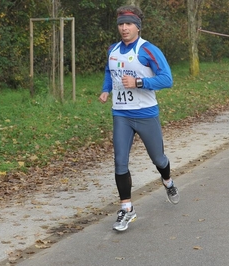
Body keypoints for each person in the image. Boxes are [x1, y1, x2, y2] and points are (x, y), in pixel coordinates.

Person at [98, 5, 179, 232]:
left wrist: (139, 82)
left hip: (145, 114)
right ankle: (127, 209)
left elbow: (167, 79)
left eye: (128, 24)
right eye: (121, 24)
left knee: (159, 159)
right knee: (120, 161)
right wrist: (106, 90)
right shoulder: (112, 50)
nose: (124, 28)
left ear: (138, 27)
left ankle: (168, 181)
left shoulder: (148, 50)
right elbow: (109, 71)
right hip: (121, 113)